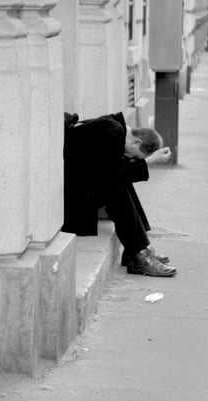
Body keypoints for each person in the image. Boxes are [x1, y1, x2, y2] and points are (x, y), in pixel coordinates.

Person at [62, 112, 176, 277]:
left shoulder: (114, 128)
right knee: (117, 185)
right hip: (70, 199)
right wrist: (148, 161)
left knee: (119, 180)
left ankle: (139, 251)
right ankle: (139, 254)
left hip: (77, 188)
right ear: (136, 142)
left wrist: (141, 162)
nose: (129, 157)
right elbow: (111, 174)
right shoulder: (111, 131)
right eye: (134, 156)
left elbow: (108, 170)